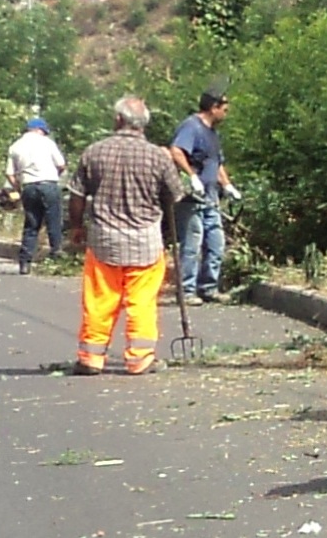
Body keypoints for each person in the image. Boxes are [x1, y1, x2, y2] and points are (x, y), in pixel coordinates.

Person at [68, 96, 193, 376]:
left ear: (118, 119)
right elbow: (175, 196)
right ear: (143, 124)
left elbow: (77, 195)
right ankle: (140, 359)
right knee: (142, 302)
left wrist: (76, 226)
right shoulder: (157, 157)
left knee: (100, 300)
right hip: (145, 241)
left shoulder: (94, 152)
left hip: (104, 241)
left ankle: (91, 358)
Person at [167, 87, 239, 302]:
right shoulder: (191, 127)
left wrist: (227, 185)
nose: (226, 113)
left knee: (216, 242)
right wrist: (192, 176)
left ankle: (209, 287)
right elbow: (176, 151)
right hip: (193, 198)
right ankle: (187, 291)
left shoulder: (213, 133)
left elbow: (216, 163)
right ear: (213, 107)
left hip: (211, 196)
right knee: (192, 242)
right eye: (224, 109)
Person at [7, 113, 68, 274]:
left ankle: (25, 262)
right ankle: (56, 253)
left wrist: (18, 187)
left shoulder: (15, 146)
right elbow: (61, 164)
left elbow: (9, 173)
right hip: (48, 184)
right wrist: (55, 175)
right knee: (54, 220)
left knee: (31, 224)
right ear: (41, 130)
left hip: (28, 186)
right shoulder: (47, 143)